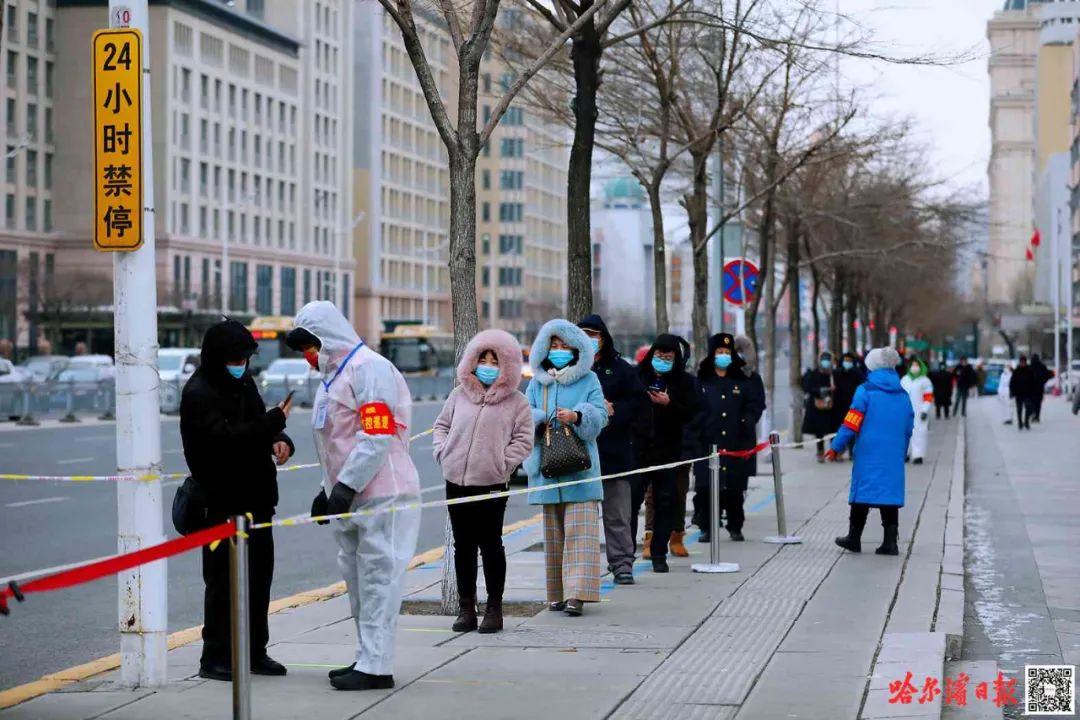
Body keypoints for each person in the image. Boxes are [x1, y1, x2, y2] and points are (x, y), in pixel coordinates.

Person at [286, 301, 420, 691]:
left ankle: (377, 666)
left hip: (382, 494)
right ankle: (366, 657)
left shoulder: (370, 369)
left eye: (310, 346)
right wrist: (326, 490)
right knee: (358, 582)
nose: (308, 356)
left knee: (379, 580)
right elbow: (337, 444)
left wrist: (345, 486)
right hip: (351, 497)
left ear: (326, 338)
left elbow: (376, 433)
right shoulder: (333, 379)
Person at [180, 319, 295, 682]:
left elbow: (258, 425)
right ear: (217, 357)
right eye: (235, 357)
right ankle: (215, 656)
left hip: (257, 498)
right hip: (221, 502)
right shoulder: (199, 392)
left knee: (259, 579)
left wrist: (280, 437)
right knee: (222, 584)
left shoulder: (242, 383)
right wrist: (273, 421)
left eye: (246, 357)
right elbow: (225, 440)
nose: (241, 363)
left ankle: (254, 651)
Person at [433, 329, 533, 634]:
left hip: (491, 483)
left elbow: (524, 440)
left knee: (490, 545)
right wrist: (443, 452)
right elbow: (441, 426)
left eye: (495, 360)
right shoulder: (458, 395)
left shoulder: (517, 402)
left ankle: (494, 608)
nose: (488, 365)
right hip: (456, 482)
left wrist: (503, 464)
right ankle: (467, 608)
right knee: (463, 546)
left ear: (507, 365)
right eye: (483, 359)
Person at [523, 319, 608, 617]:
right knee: (553, 535)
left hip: (581, 469)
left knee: (581, 533)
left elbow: (600, 416)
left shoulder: (589, 381)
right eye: (553, 346)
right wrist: (537, 418)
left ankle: (577, 595)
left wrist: (577, 415)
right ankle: (556, 594)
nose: (558, 351)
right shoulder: (536, 383)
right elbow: (522, 417)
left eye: (564, 346)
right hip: (548, 469)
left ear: (576, 350)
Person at [576, 315, 648, 585]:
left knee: (618, 514)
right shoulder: (572, 368)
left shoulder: (621, 369)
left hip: (615, 453)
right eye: (584, 333)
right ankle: (580, 572)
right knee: (580, 519)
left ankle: (622, 564)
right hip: (579, 457)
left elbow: (639, 403)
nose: (590, 339)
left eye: (594, 334)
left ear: (604, 338)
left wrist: (614, 411)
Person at [827, 347, 914, 556]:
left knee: (861, 494)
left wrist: (836, 447)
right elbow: (909, 426)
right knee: (889, 496)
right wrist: (901, 449)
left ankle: (854, 538)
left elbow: (851, 422)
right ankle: (890, 542)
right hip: (893, 453)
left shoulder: (865, 390)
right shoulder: (903, 394)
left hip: (868, 451)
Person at [688, 333, 765, 543]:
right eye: (719, 352)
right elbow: (692, 408)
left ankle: (735, 525)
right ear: (712, 354)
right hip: (707, 444)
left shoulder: (744, 379)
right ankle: (707, 527)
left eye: (727, 353)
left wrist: (747, 420)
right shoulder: (701, 379)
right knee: (705, 488)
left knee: (734, 488)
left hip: (736, 443)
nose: (723, 356)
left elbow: (755, 404)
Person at [633, 333, 697, 571]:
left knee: (665, 502)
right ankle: (627, 555)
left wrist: (669, 404)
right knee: (632, 502)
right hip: (639, 452)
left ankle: (659, 553)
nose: (662, 360)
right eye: (659, 356)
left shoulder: (684, 382)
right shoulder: (638, 376)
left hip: (669, 453)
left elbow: (690, 414)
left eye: (668, 357)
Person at [801, 352, 838, 462]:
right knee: (819, 432)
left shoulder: (834, 374)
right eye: (823, 359)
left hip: (832, 407)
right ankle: (820, 452)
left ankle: (833, 452)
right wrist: (824, 390)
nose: (825, 362)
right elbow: (808, 388)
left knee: (833, 430)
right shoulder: (813, 374)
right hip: (816, 407)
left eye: (827, 359)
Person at [900, 357, 934, 464]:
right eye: (912, 365)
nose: (914, 367)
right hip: (905, 411)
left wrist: (925, 409)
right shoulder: (904, 379)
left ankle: (918, 455)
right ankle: (906, 453)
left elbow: (928, 397)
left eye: (917, 365)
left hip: (919, 411)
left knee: (919, 433)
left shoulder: (925, 381)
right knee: (904, 433)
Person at [1010, 355, 1037, 431]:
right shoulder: (1016, 371)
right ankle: (1020, 423)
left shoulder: (1029, 371)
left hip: (1027, 393)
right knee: (1019, 409)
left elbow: (1033, 382)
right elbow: (1012, 382)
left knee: (1028, 407)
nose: (1022, 363)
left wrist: (1033, 392)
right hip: (1018, 393)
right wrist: (1012, 392)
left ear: (1025, 362)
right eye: (1021, 362)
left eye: (1023, 362)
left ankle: (1026, 422)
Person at [1030, 354, 1052, 422]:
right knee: (1038, 403)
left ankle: (1033, 414)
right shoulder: (1042, 367)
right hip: (1040, 388)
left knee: (1032, 402)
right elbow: (1047, 375)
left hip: (1031, 388)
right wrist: (1043, 382)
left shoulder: (1030, 367)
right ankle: (1037, 416)